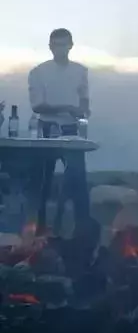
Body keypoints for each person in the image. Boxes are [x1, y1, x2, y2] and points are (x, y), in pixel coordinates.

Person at [28, 28, 91, 234]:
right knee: (42, 182)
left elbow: (84, 98)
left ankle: (83, 231)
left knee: (78, 182)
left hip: (72, 130)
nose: (60, 49)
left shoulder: (80, 71)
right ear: (50, 47)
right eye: (56, 45)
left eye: (63, 44)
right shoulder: (38, 72)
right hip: (47, 129)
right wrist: (68, 108)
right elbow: (37, 106)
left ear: (71, 46)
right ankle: (38, 230)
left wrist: (83, 110)